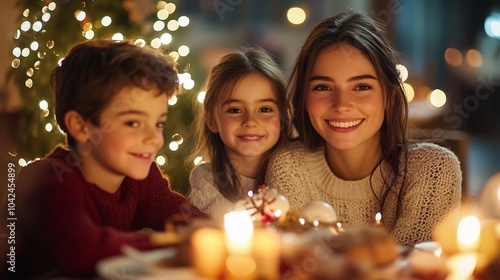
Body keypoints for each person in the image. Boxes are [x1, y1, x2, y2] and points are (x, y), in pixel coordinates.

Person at [7, 40, 209, 279]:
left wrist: (216, 234)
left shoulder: (140, 181)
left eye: (158, 123)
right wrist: (175, 242)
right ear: (81, 127)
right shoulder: (46, 181)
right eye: (133, 123)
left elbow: (188, 219)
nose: (153, 139)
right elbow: (85, 249)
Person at [266, 12, 462, 247]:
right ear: (304, 98)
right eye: (323, 87)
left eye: (361, 86)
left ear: (389, 97)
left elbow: (408, 269)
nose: (341, 105)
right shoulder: (289, 167)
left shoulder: (433, 170)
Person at [188, 47, 291, 220]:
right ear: (212, 120)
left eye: (265, 109)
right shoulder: (205, 180)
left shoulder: (298, 173)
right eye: (235, 110)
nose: (250, 121)